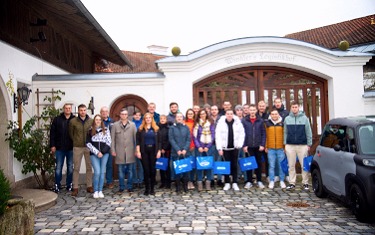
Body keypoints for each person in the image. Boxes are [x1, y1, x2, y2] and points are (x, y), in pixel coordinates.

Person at [283, 101, 312, 191]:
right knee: (291, 165)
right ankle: (292, 182)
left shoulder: (304, 118)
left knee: (304, 165)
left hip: (302, 145)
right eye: (293, 107)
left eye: (296, 107)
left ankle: (305, 182)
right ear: (291, 108)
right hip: (290, 145)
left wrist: (309, 144)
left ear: (298, 107)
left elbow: (308, 131)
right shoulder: (287, 119)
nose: (294, 108)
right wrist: (285, 144)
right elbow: (285, 132)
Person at [215, 109, 245, 191]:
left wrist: (239, 144)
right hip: (225, 148)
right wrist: (219, 148)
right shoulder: (221, 123)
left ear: (233, 114)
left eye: (231, 114)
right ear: (225, 114)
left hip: (235, 147)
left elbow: (242, 134)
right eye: (228, 114)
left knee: (234, 165)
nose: (229, 115)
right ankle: (227, 183)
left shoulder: (238, 123)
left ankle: (235, 182)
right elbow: (218, 136)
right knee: (226, 166)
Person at [69, 104, 93, 196]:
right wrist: (76, 140)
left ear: (86, 111)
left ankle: (89, 185)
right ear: (78, 111)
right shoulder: (73, 121)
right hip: (77, 147)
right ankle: (75, 187)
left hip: (88, 146)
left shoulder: (91, 121)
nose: (83, 112)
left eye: (84, 110)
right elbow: (71, 134)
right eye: (81, 110)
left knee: (89, 167)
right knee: (76, 168)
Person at [50, 103, 75, 193]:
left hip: (70, 148)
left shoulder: (74, 119)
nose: (68, 110)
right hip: (59, 148)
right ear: (63, 109)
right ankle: (57, 184)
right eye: (66, 108)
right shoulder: (57, 120)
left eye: (69, 108)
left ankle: (69, 184)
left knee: (70, 167)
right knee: (58, 167)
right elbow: (52, 133)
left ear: (71, 109)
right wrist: (52, 145)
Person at [111, 108, 137, 193]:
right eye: (122, 114)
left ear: (127, 115)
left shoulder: (132, 125)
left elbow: (135, 139)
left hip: (130, 151)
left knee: (130, 170)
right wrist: (113, 150)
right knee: (120, 171)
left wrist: (136, 150)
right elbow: (113, 139)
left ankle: (130, 186)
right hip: (119, 151)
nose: (124, 116)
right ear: (120, 115)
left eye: (126, 114)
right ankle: (121, 187)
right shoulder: (115, 125)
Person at [86, 114, 111, 198]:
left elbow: (109, 142)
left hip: (104, 154)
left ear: (101, 121)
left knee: (102, 172)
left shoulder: (106, 130)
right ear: (94, 121)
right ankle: (95, 190)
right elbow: (88, 143)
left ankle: (100, 190)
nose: (98, 121)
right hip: (94, 154)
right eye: (96, 119)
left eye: (99, 120)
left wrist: (102, 152)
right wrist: (97, 152)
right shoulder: (90, 130)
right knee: (97, 172)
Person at [136, 112, 161, 196]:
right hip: (144, 151)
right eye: (146, 118)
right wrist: (138, 151)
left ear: (151, 119)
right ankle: (147, 189)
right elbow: (138, 141)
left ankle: (152, 189)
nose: (148, 119)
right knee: (146, 170)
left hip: (153, 150)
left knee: (152, 170)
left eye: (149, 118)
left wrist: (159, 151)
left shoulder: (156, 129)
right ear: (144, 119)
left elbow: (159, 141)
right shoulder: (140, 129)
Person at [242, 104, 266, 189]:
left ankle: (259, 180)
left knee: (258, 164)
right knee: (249, 164)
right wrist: (244, 145)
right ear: (248, 111)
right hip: (248, 147)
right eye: (250, 110)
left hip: (258, 146)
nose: (252, 112)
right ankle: (249, 181)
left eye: (253, 110)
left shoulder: (260, 120)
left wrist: (262, 145)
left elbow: (263, 133)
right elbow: (242, 134)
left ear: (256, 111)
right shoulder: (244, 120)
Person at [193, 109, 215, 191]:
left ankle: (208, 183)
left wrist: (208, 146)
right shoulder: (196, 124)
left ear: (206, 114)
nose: (202, 115)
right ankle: (199, 183)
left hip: (208, 148)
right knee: (199, 166)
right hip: (199, 148)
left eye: (204, 114)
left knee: (208, 166)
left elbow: (213, 135)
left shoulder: (211, 123)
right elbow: (194, 137)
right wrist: (199, 146)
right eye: (201, 114)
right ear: (199, 115)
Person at [169, 112, 191, 193]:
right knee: (177, 170)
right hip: (176, 152)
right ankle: (178, 186)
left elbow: (188, 139)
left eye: (180, 117)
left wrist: (185, 149)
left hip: (186, 152)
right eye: (177, 117)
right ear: (175, 118)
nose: (179, 118)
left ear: (183, 118)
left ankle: (185, 186)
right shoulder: (172, 128)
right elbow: (171, 139)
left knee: (185, 170)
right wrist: (177, 149)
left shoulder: (186, 128)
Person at [265, 109, 286, 189]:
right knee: (271, 165)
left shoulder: (282, 124)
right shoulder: (267, 123)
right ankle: (272, 180)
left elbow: (285, 135)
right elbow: (266, 136)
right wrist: (266, 146)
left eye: (276, 114)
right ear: (270, 115)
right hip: (271, 148)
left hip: (280, 148)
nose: (274, 115)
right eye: (272, 114)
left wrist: (284, 147)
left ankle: (281, 180)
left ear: (278, 115)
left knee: (281, 165)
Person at [100, 106, 115, 189]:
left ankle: (109, 181)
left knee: (109, 165)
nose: (104, 113)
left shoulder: (112, 121)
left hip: (109, 146)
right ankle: (101, 182)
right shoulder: (98, 121)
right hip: (100, 146)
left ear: (108, 113)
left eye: (106, 111)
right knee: (100, 165)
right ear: (101, 113)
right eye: (103, 111)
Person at [158, 114, 171, 189]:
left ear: (166, 120)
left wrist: (164, 148)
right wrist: (159, 149)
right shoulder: (157, 128)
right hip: (159, 150)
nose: (162, 120)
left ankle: (168, 182)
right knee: (161, 166)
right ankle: (163, 182)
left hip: (167, 150)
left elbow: (169, 139)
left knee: (167, 166)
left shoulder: (168, 128)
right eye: (161, 119)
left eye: (164, 119)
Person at [185, 108, 196, 190]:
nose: (190, 115)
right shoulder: (184, 123)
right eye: (188, 114)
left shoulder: (196, 123)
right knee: (187, 165)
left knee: (193, 165)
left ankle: (192, 180)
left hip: (194, 147)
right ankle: (187, 181)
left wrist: (194, 145)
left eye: (191, 114)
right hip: (186, 147)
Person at [132, 110, 144, 189]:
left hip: (141, 147)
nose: (137, 116)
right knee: (133, 165)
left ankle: (141, 180)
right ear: (133, 116)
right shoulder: (131, 124)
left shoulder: (142, 124)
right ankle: (135, 181)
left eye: (139, 115)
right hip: (132, 147)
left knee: (141, 165)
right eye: (136, 115)